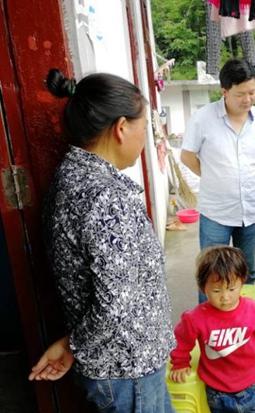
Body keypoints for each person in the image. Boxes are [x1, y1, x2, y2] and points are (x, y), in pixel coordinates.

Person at [29, 69, 175, 413]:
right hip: (128, 368)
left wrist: (73, 346)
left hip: (120, 367)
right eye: (144, 127)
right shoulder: (104, 196)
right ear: (122, 128)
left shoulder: (73, 177)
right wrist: (72, 345)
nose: (145, 137)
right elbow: (115, 305)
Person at [181, 58, 255, 303]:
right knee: (212, 274)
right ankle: (211, 334)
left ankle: (241, 328)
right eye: (240, 94)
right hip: (216, 213)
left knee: (247, 272)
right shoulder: (203, 118)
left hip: (250, 212)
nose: (248, 99)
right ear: (224, 92)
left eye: (252, 92)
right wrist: (214, 176)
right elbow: (187, 156)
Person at [170, 246, 255, 413]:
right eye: (216, 290)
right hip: (218, 392)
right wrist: (180, 363)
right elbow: (181, 340)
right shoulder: (194, 318)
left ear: (242, 282)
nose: (225, 297)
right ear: (203, 288)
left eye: (232, 289)